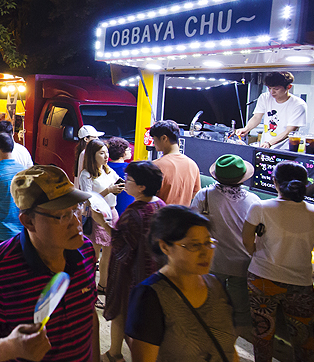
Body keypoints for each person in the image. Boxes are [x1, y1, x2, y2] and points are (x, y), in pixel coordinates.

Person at [0, 165, 99, 362]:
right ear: (28, 221)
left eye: (76, 208)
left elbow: (89, 313)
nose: (76, 223)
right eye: (63, 216)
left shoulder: (85, 251)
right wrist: (9, 347)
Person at [126, 205, 238, 362]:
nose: (205, 252)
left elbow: (229, 350)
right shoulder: (149, 297)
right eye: (194, 245)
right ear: (165, 247)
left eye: (208, 242)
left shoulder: (216, 286)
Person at [242, 161, 314, 362]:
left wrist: (256, 254)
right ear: (305, 184)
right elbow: (311, 244)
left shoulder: (260, 207)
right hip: (301, 283)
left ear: (274, 182)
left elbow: (246, 239)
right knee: (303, 337)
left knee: (263, 333)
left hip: (263, 279)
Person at [102, 161, 166, 362]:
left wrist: (101, 223)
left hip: (131, 274)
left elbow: (121, 244)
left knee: (123, 314)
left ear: (141, 187)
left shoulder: (133, 213)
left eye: (129, 180)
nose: (125, 183)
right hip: (154, 272)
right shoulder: (160, 205)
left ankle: (116, 354)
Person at [190, 154, 260, 335]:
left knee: (209, 305)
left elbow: (191, 224)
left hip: (212, 261)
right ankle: (233, 348)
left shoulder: (204, 196)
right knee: (241, 311)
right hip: (242, 263)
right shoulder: (254, 201)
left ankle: (211, 342)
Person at [75, 139, 123, 297]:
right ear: (92, 155)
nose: (106, 156)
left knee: (108, 255)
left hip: (112, 213)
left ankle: (103, 285)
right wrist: (109, 190)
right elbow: (89, 200)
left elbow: (117, 183)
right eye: (101, 153)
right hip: (97, 216)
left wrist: (119, 188)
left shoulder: (108, 171)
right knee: (93, 256)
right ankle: (87, 287)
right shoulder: (86, 174)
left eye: (106, 152)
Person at [236, 71, 308, 150]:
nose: (272, 92)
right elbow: (257, 117)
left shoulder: (298, 105)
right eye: (269, 88)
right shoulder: (265, 97)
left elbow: (289, 131)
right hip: (265, 147)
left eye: (276, 89)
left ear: (289, 87)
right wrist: (247, 129)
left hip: (286, 149)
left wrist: (269, 143)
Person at [149, 120, 201, 206]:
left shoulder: (155, 166)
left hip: (159, 217)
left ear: (164, 138)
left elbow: (146, 197)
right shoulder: (193, 165)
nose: (153, 143)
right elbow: (195, 194)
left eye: (154, 138)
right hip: (183, 218)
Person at [105, 136, 134, 215]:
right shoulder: (130, 168)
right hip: (126, 206)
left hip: (108, 207)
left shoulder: (104, 167)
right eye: (128, 149)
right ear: (122, 153)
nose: (131, 151)